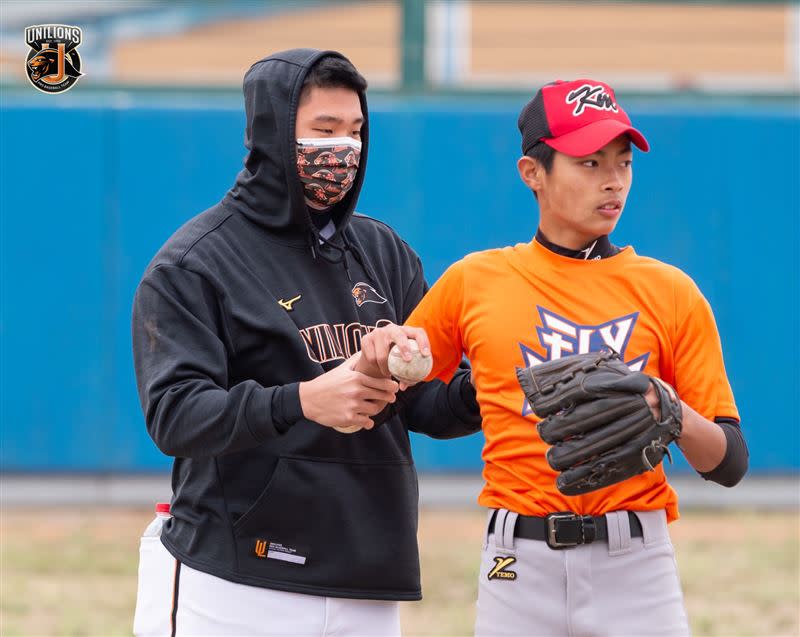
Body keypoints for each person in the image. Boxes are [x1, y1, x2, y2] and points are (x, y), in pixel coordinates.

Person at [130, 48, 481, 637]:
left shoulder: (383, 252)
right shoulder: (195, 262)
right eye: (324, 130)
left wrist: (499, 385)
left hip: (367, 573)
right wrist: (302, 401)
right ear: (271, 133)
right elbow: (174, 415)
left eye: (355, 131)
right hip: (236, 575)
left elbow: (427, 404)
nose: (343, 148)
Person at [400, 79, 749, 636]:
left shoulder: (671, 291)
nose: (613, 181)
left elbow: (729, 463)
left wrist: (672, 413)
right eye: (588, 162)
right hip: (517, 563)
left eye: (624, 162)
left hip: (635, 561)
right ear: (532, 173)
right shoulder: (475, 281)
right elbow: (412, 403)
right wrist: (479, 392)